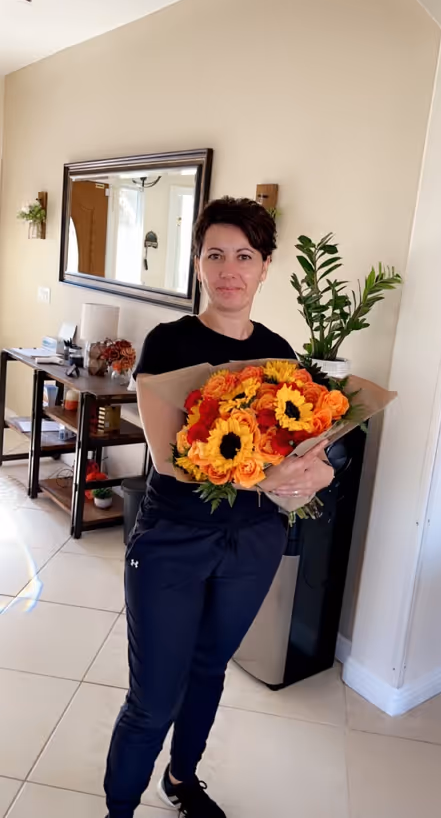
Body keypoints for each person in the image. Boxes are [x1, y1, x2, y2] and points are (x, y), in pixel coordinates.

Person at [104, 197, 334, 818]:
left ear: (264, 268)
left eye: (245, 256)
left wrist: (315, 471)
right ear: (198, 264)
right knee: (153, 697)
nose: (230, 269)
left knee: (208, 670)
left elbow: (305, 445)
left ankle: (181, 781)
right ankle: (118, 810)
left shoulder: (281, 353)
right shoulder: (168, 343)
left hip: (252, 542)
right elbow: (169, 455)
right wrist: (272, 474)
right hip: (173, 537)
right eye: (216, 255)